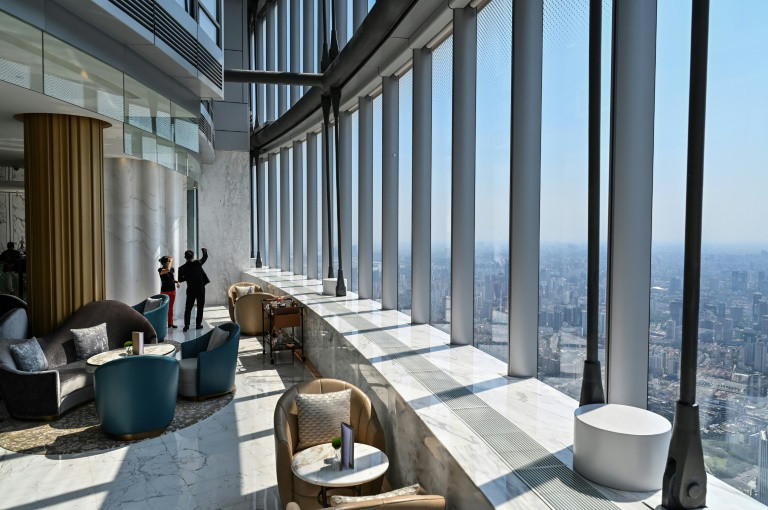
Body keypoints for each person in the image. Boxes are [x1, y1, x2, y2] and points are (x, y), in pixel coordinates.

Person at [178, 248, 209, 332]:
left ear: (185, 257)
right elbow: (205, 257)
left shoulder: (182, 268)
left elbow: (180, 279)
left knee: (188, 308)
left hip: (191, 289)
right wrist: (204, 251)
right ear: (193, 256)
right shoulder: (197, 263)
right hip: (200, 289)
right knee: (200, 307)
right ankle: (198, 325)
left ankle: (186, 326)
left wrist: (187, 277)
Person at [158, 256, 180, 329]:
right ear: (163, 263)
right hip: (165, 291)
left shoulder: (171, 269)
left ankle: (170, 323)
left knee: (170, 308)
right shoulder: (160, 270)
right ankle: (163, 324)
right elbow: (167, 269)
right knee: (164, 308)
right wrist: (171, 261)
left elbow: (171, 279)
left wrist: (177, 282)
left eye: (169, 262)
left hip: (172, 290)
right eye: (167, 261)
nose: (169, 263)